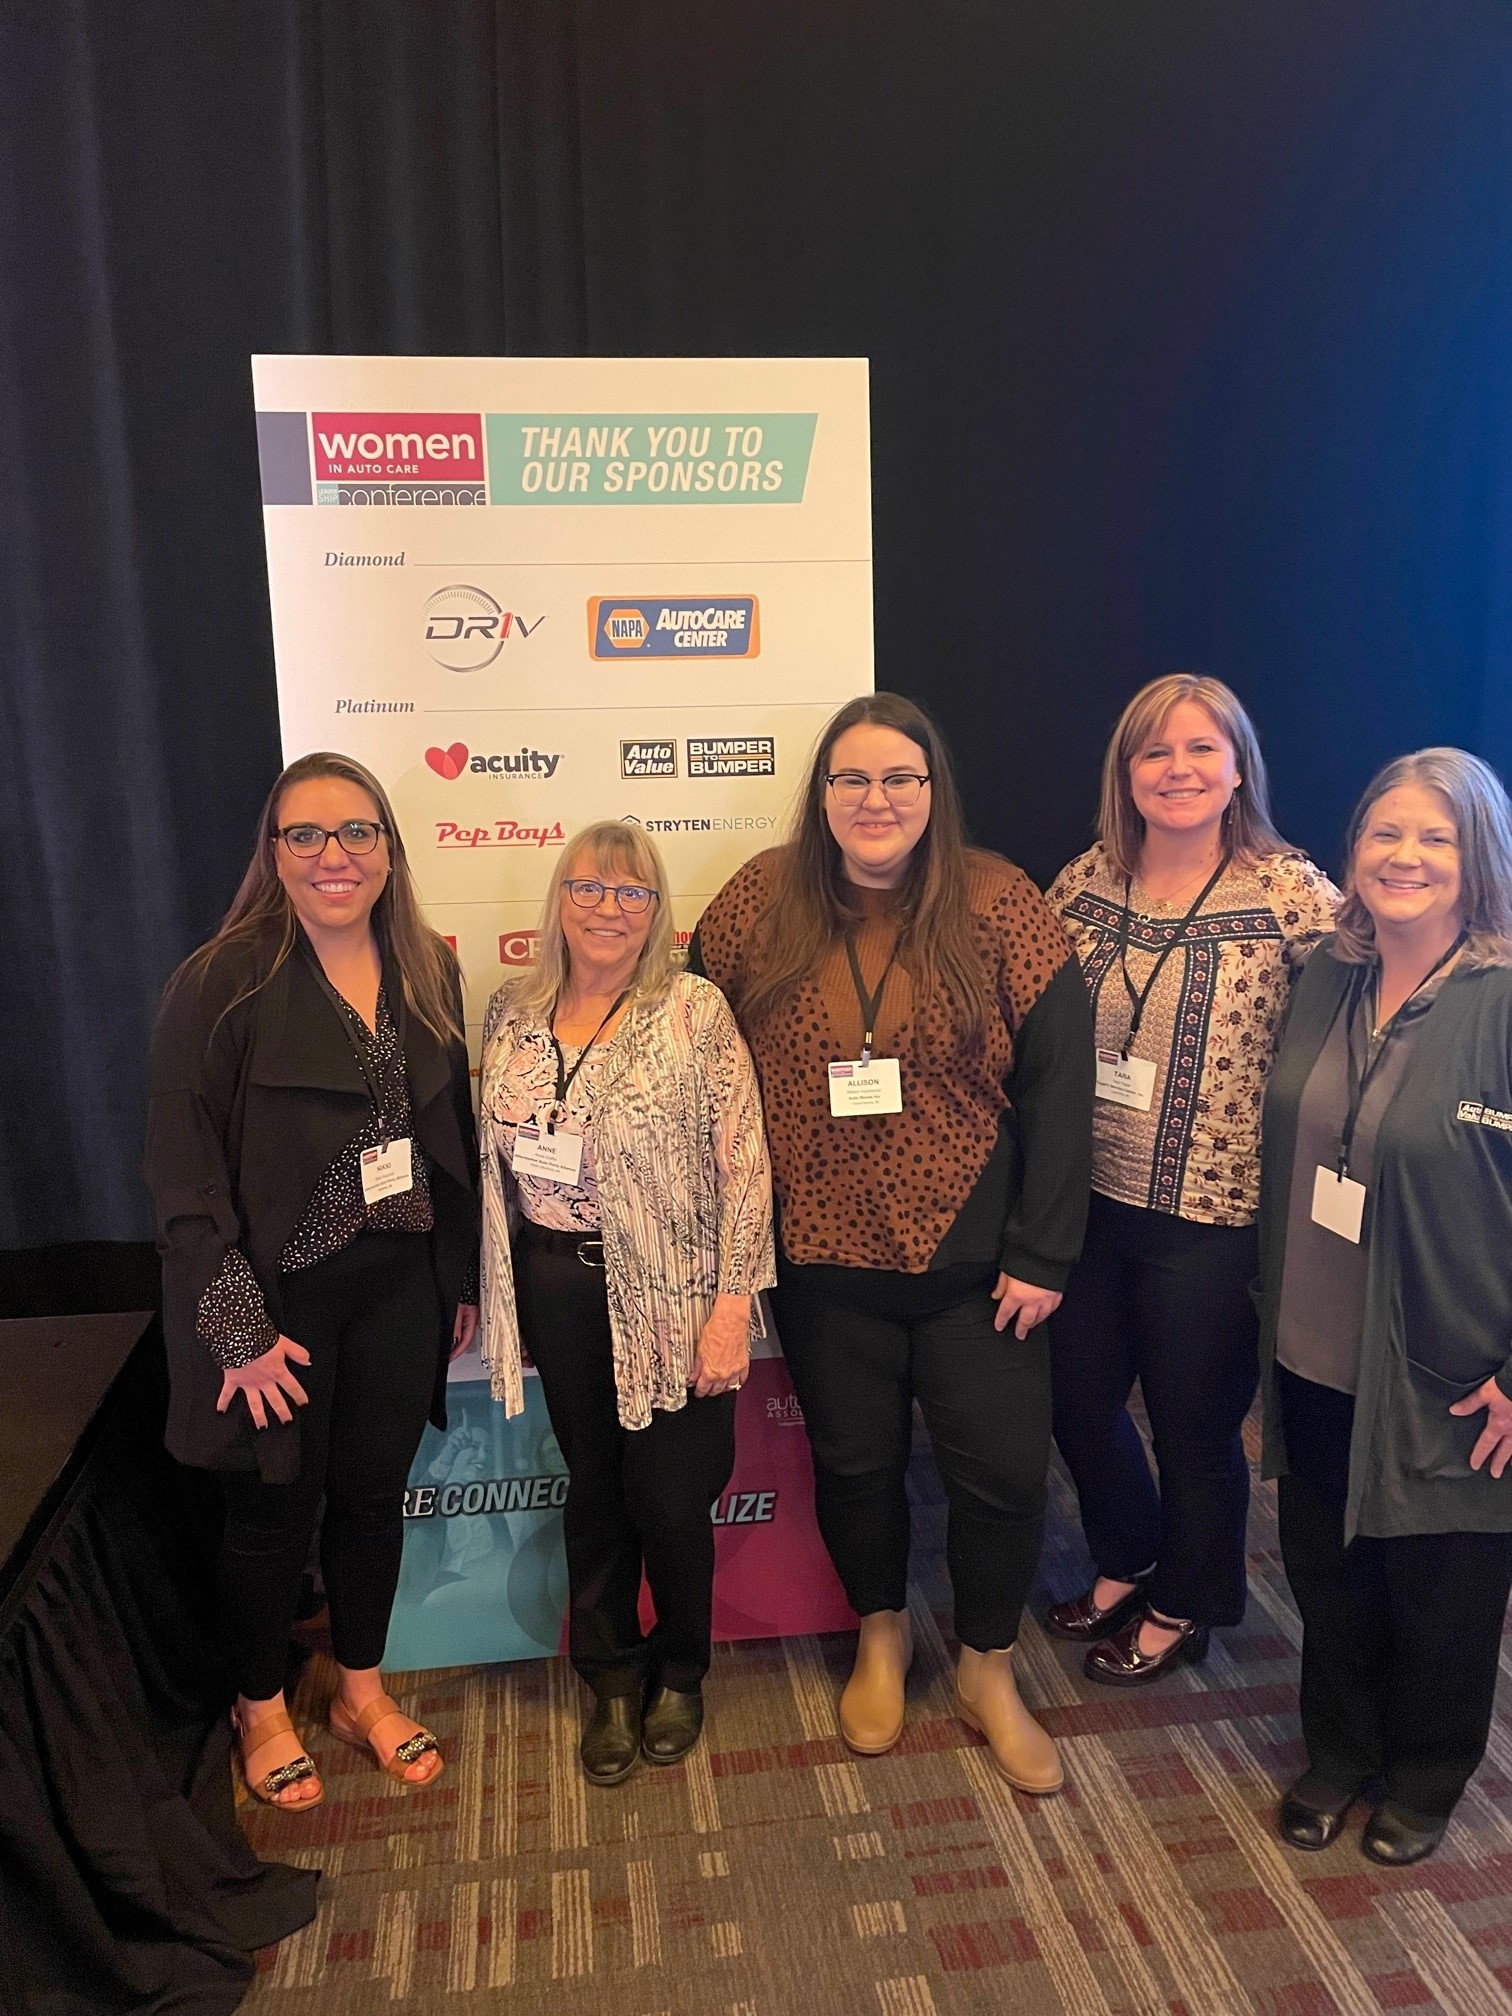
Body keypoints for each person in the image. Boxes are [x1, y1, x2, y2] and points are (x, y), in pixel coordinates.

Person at [692, 693, 1093, 1794]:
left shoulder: (1001, 901)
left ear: (933, 791)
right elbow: (697, 1055)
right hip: (823, 1264)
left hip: (983, 1267)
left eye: (900, 779)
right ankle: (881, 1635)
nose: (876, 800)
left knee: (1005, 1476)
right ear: (822, 794)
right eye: (852, 779)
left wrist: (1046, 1251)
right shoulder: (756, 904)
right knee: (856, 1465)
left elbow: (1063, 1085)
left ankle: (987, 1668)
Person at [145, 753, 479, 1809]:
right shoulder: (220, 982)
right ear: (274, 851)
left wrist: (458, 1278)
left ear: (388, 848)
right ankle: (261, 1708)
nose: (335, 856)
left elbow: (450, 1142)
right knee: (273, 1515)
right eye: (308, 836)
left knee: (375, 1499)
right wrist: (237, 1331)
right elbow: (182, 1174)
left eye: (358, 833)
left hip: (399, 1287)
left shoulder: (428, 965)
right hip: (274, 1301)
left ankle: (360, 1689)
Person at [1044, 674, 1337, 1684]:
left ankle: (1187, 1602)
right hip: (1087, 1206)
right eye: (1155, 752)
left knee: (1192, 1427)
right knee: (1077, 1405)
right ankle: (1127, 1558)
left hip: (1214, 1220)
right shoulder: (1086, 882)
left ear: (1239, 766)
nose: (1178, 770)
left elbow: (1374, 1001)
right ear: (1126, 774)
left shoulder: (1290, 893)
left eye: (1201, 749)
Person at [477, 821, 773, 1786]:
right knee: (597, 1491)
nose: (609, 908)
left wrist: (735, 1304)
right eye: (590, 888)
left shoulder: (694, 1011)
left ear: (658, 914)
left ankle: (681, 1668)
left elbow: (745, 1165)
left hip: (677, 1298)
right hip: (560, 1290)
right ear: (558, 902)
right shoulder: (510, 1012)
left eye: (632, 893)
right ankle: (608, 1676)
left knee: (671, 1498)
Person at [1257, 748, 1512, 1866]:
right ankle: (1341, 1749)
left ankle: (1424, 1772)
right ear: (1352, 852)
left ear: (1480, 860)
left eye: (1436, 838)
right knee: (1326, 1567)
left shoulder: (1502, 1002)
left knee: (1442, 1594)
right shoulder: (1327, 974)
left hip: (1455, 1370)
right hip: (1315, 1346)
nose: (1405, 857)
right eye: (1384, 834)